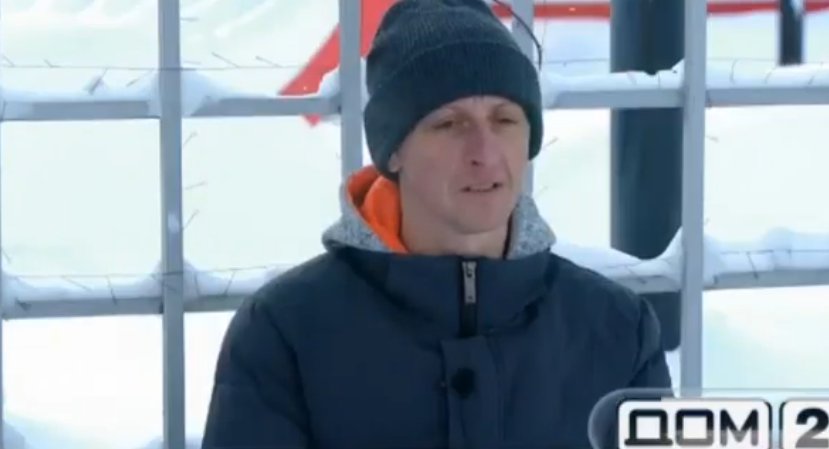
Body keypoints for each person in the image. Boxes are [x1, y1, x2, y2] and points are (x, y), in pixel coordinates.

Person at [201, 0, 672, 448]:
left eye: (505, 120)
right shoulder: (286, 333)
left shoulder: (618, 329)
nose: (484, 153)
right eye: (449, 124)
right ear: (393, 151)